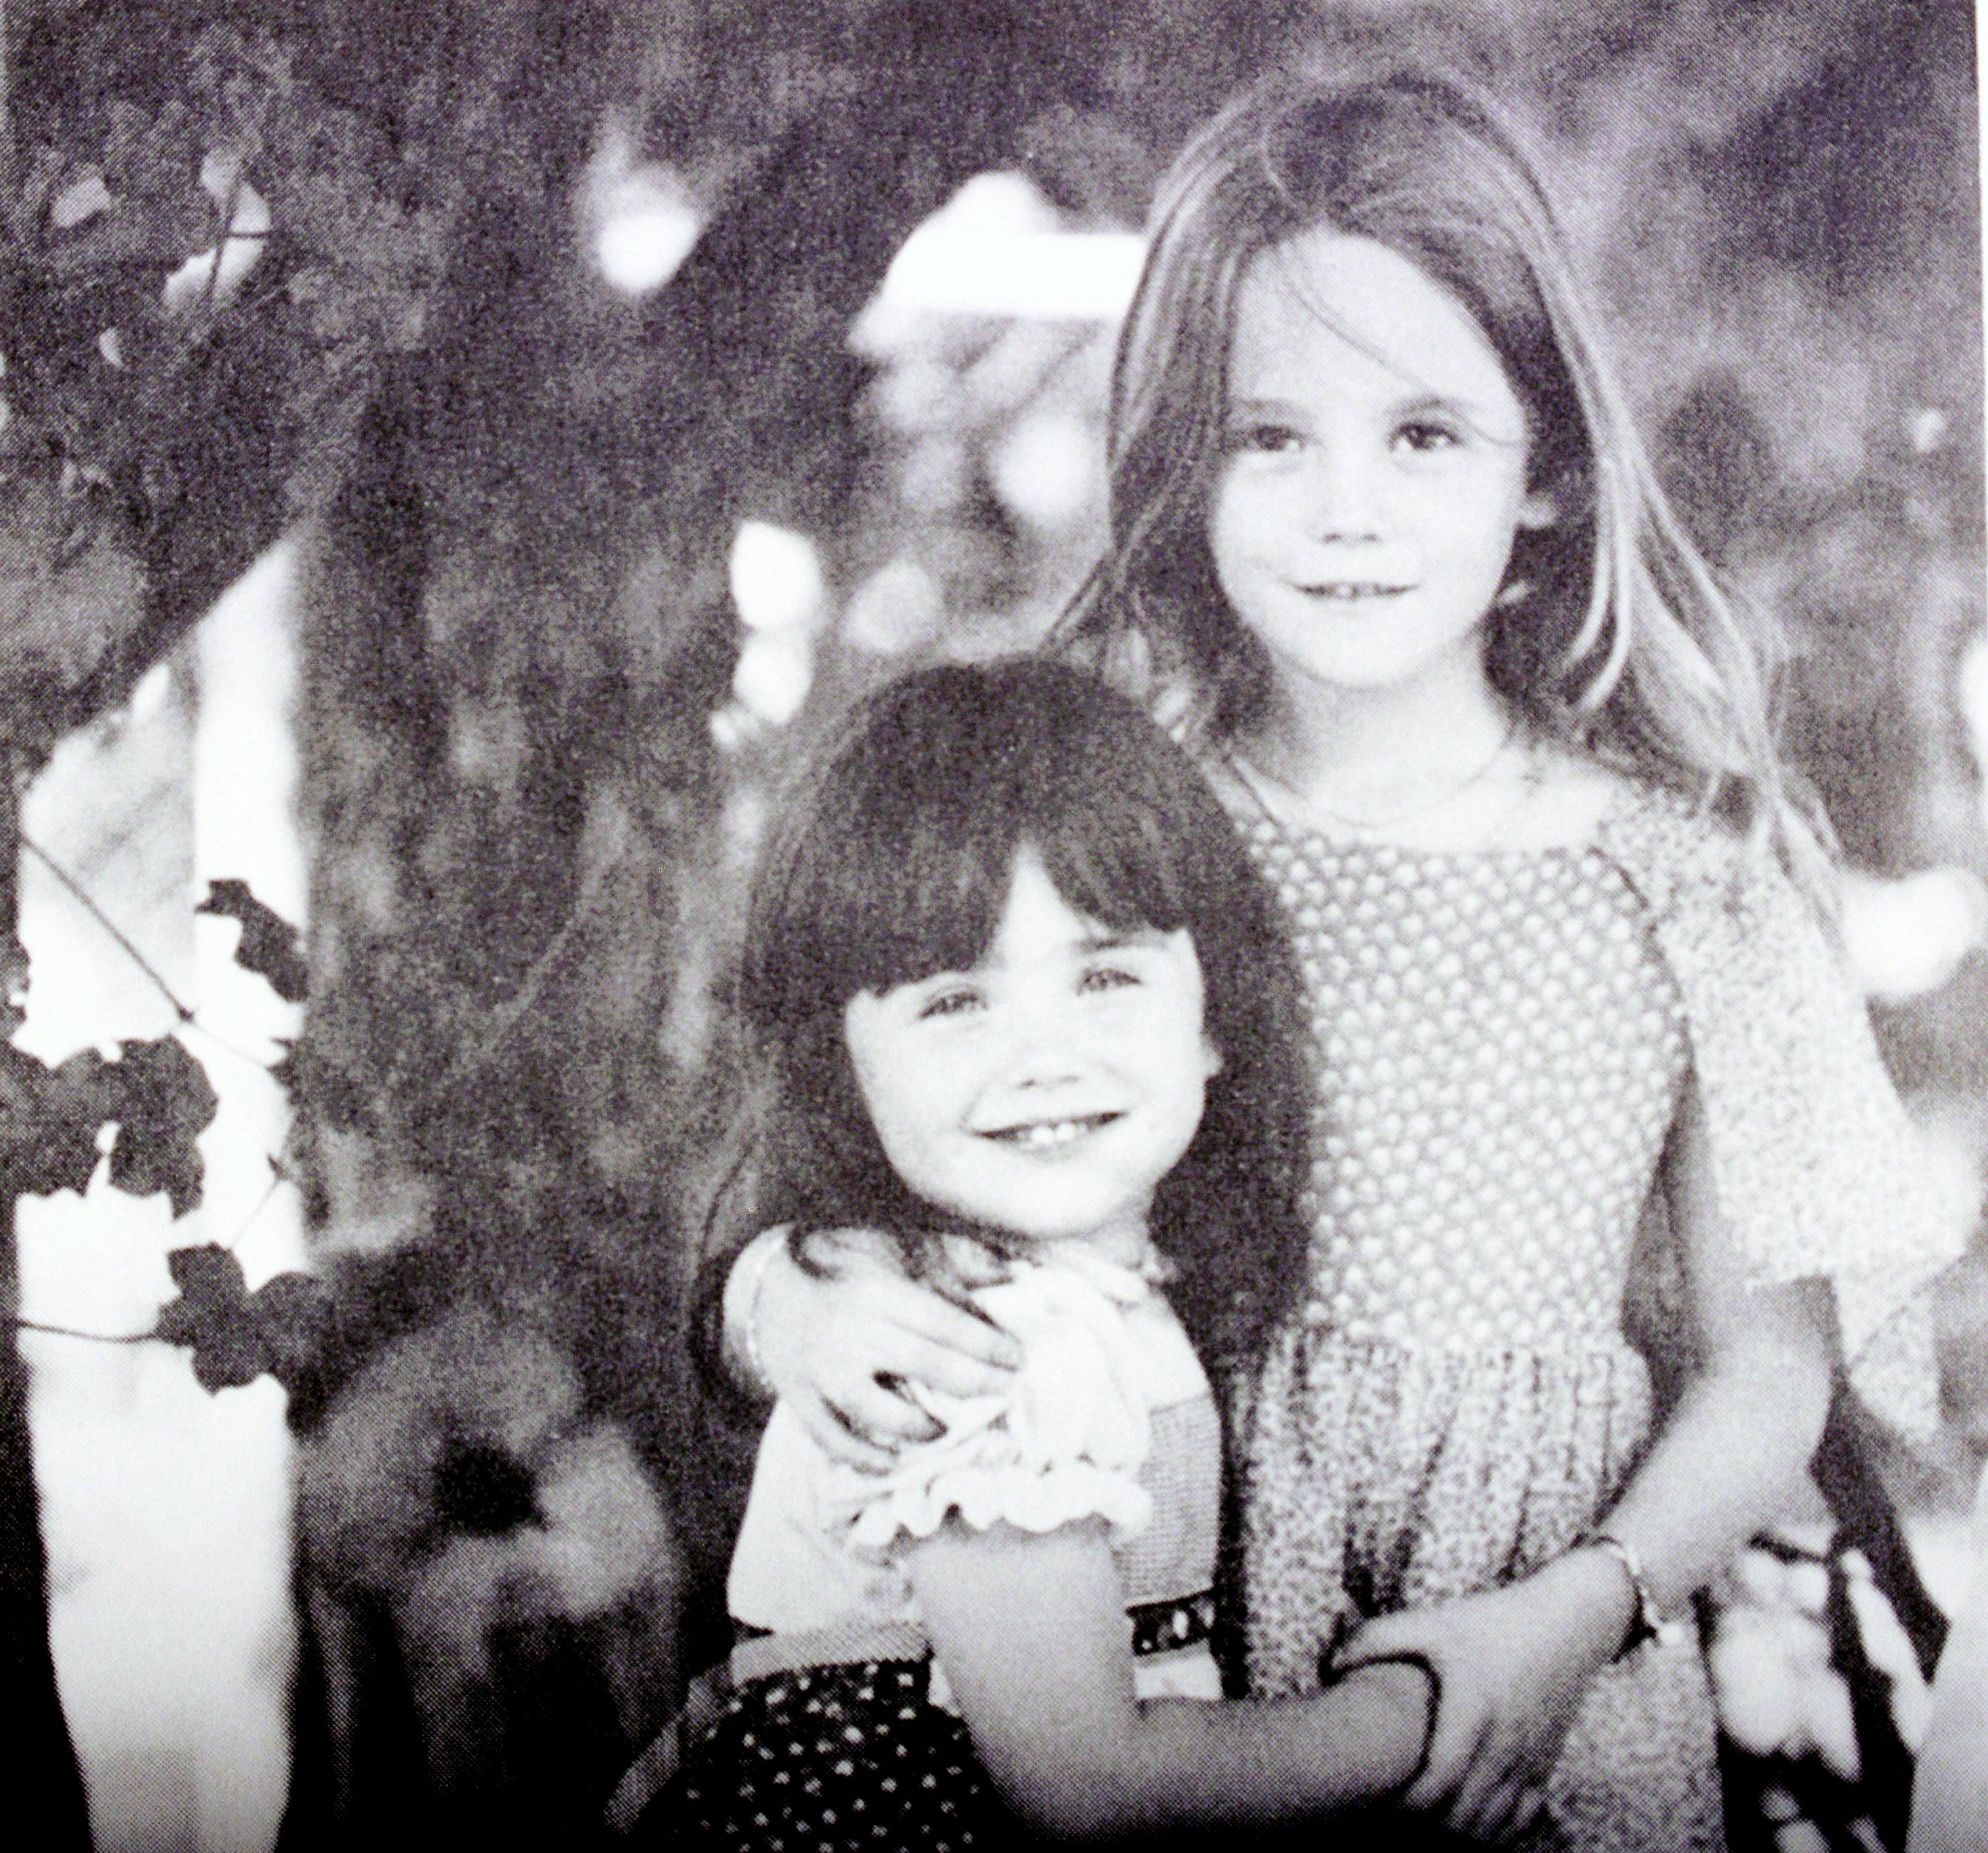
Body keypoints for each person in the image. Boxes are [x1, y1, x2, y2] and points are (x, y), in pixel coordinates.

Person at [716, 66, 1963, 1852]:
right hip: (1185, 1628)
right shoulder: (1120, 836)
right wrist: (795, 1306)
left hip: (1553, 1654)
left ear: (1546, 469)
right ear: (1182, 464)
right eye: (1269, 436)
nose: (1345, 507)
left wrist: (1572, 1615)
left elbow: (1770, 1367)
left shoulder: (1692, 869)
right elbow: (842, 1159)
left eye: (1426, 434)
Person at [650, 656, 1439, 1849]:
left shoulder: (1113, 1293)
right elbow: (1087, 1777)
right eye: (956, 1002)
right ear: (841, 1065)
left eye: (1106, 975)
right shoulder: (984, 1345)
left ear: (1217, 1015)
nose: (1044, 1056)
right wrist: (1405, 1719)